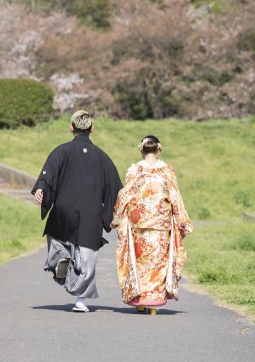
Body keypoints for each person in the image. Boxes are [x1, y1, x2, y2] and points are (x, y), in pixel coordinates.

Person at [31, 110, 123, 312]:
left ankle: (60, 258)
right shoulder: (102, 157)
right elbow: (116, 187)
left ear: (71, 127)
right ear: (91, 129)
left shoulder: (61, 151)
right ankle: (80, 300)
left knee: (57, 240)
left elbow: (49, 173)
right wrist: (115, 213)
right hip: (91, 213)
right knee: (87, 257)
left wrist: (41, 188)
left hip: (65, 208)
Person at [111, 135, 193, 315]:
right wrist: (181, 222)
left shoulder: (134, 170)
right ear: (159, 148)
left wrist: (117, 218)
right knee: (157, 262)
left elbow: (124, 196)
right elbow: (175, 198)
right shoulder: (167, 170)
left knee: (139, 262)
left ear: (141, 149)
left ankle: (140, 300)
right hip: (161, 225)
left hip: (138, 224)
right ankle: (153, 303)